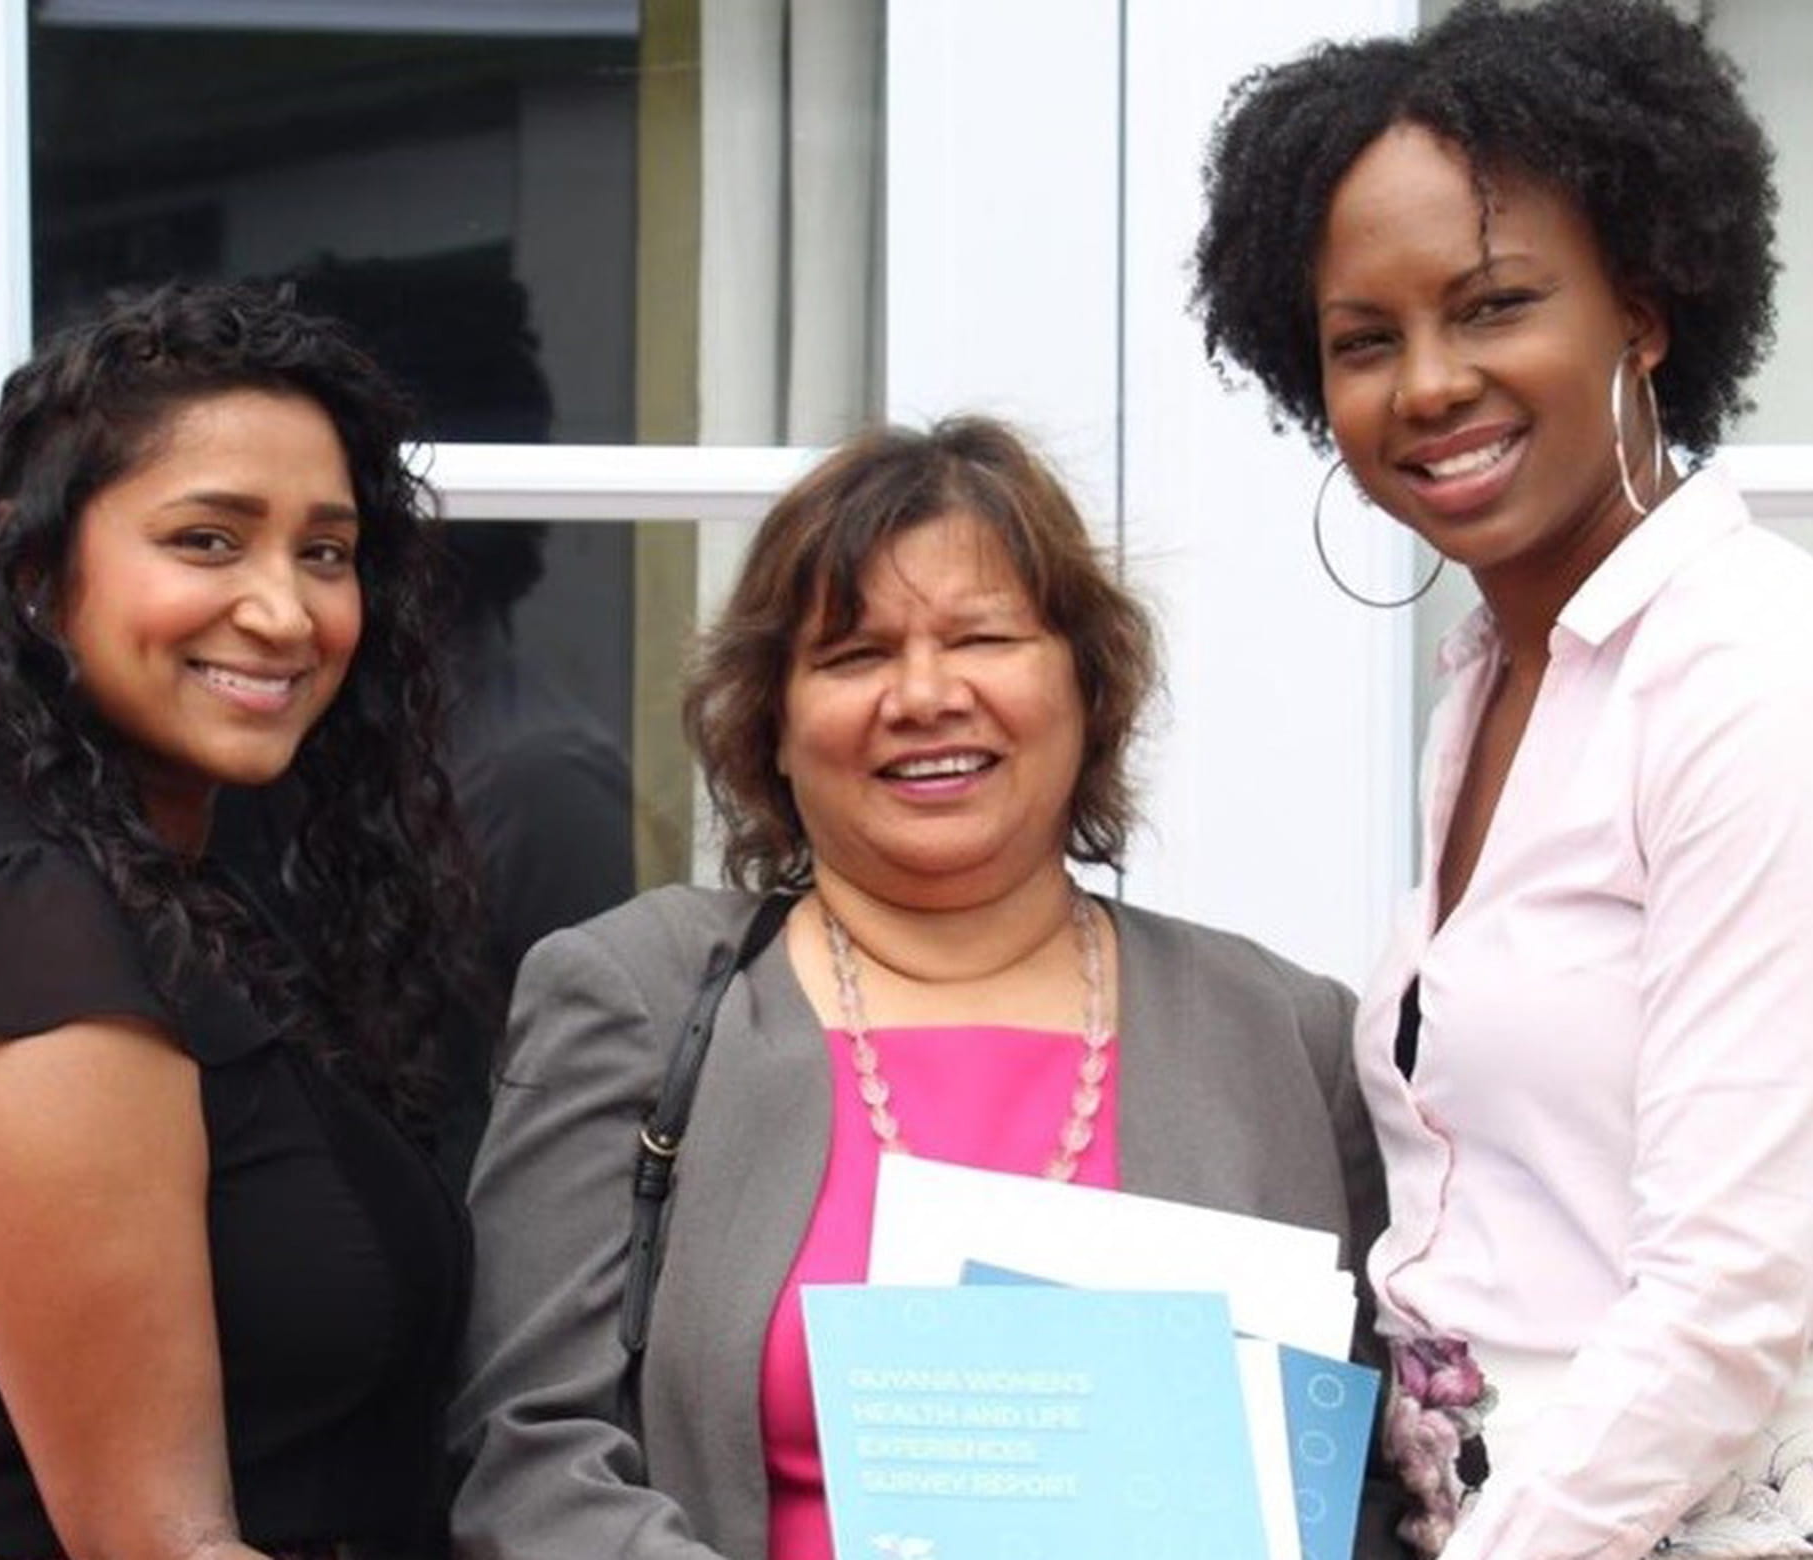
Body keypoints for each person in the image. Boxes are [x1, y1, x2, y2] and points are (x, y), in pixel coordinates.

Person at [1192, 4, 1813, 1558]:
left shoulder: (1768, 684)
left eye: (1495, 305)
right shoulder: (1503, 684)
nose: (1428, 384)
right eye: (1364, 341)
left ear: (1641, 312)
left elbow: (1726, 1297)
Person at [449, 416, 1395, 1560]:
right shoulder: (634, 1000)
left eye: (984, 638)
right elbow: (531, 1458)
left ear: (1088, 689)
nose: (925, 694)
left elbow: (1379, 1480)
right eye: (854, 656)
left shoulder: (1285, 1035)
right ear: (775, 727)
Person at [0, 282, 490, 1560]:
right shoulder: (32, 931)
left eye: (324, 553)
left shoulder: (173, 895)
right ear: (32, 566)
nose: (286, 612)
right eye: (209, 541)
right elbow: (153, 1543)